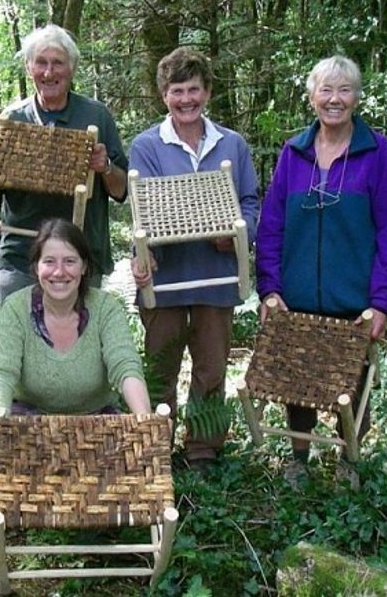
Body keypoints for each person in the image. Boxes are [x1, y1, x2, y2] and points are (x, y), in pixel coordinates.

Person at [256, 55, 387, 487]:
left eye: (344, 90)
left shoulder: (377, 153)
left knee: (352, 384)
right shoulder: (294, 152)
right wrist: (270, 288)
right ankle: (298, 459)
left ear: (357, 97)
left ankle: (349, 463)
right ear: (311, 97)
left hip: (353, 300)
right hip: (297, 296)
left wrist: (382, 302)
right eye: (326, 90)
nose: (334, 99)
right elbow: (271, 226)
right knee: (298, 380)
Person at [129, 47, 260, 470]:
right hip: (165, 277)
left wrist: (238, 234)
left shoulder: (232, 145)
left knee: (211, 369)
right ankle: (158, 448)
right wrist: (142, 254)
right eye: (176, 91)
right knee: (160, 366)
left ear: (207, 92)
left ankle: (204, 449)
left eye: (194, 90)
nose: (186, 99)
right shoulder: (147, 146)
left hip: (217, 278)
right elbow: (144, 211)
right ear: (164, 95)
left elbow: (250, 203)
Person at [0, 24, 128, 303]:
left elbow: (120, 190)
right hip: (22, 259)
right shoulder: (12, 119)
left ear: (72, 68)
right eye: (41, 63)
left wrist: (105, 167)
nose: (48, 72)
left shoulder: (96, 116)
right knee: (19, 343)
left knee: (80, 344)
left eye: (58, 63)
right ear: (29, 68)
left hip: (82, 257)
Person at [0, 219, 151, 456]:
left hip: (95, 421)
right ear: (37, 267)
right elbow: (1, 371)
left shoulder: (105, 308)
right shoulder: (16, 308)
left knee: (126, 462)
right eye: (49, 262)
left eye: (70, 261)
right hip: (31, 419)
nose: (59, 272)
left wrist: (144, 420)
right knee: (14, 462)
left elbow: (125, 367)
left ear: (83, 266)